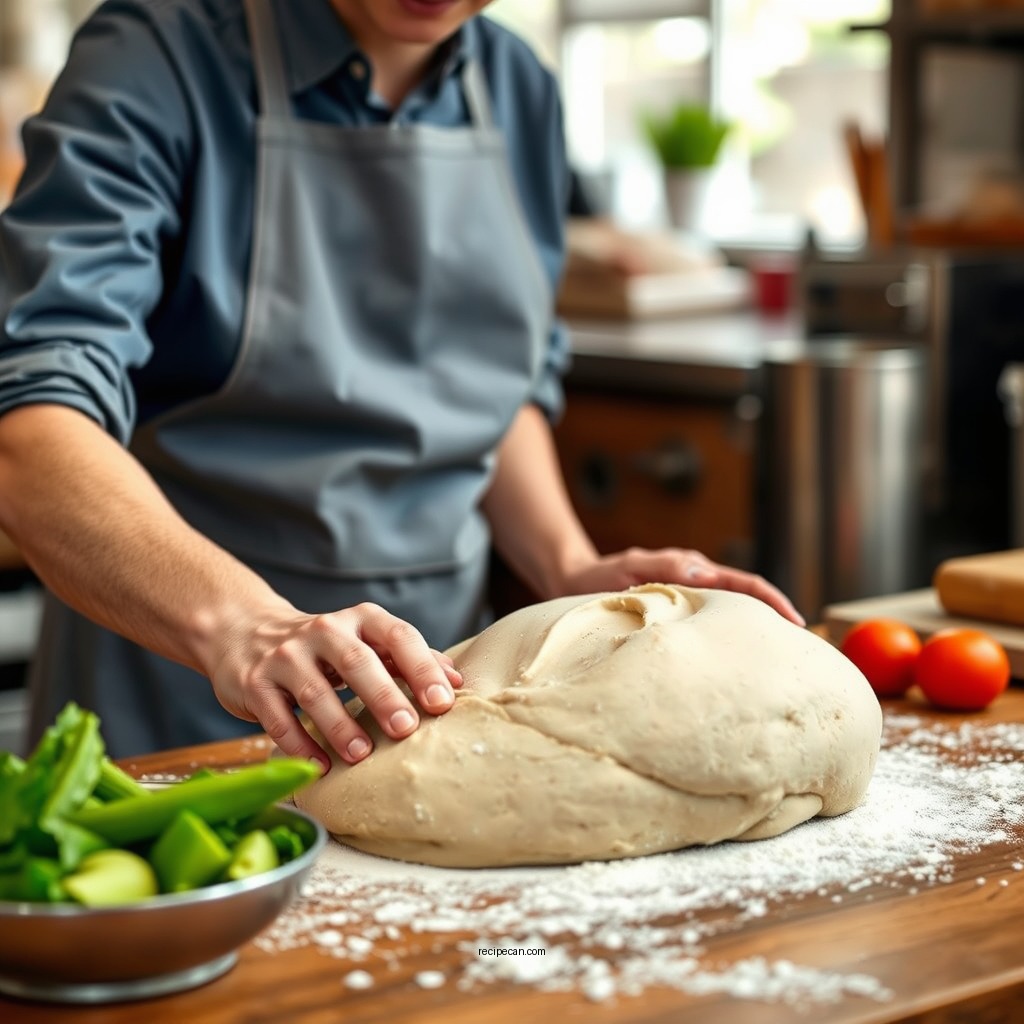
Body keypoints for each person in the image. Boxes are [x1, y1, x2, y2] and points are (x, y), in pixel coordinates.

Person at [0, 0, 802, 766]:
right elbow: (30, 424)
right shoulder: (160, 56)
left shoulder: (517, 88)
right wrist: (248, 629)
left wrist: (566, 566)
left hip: (441, 691)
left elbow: (494, 387)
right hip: (177, 684)